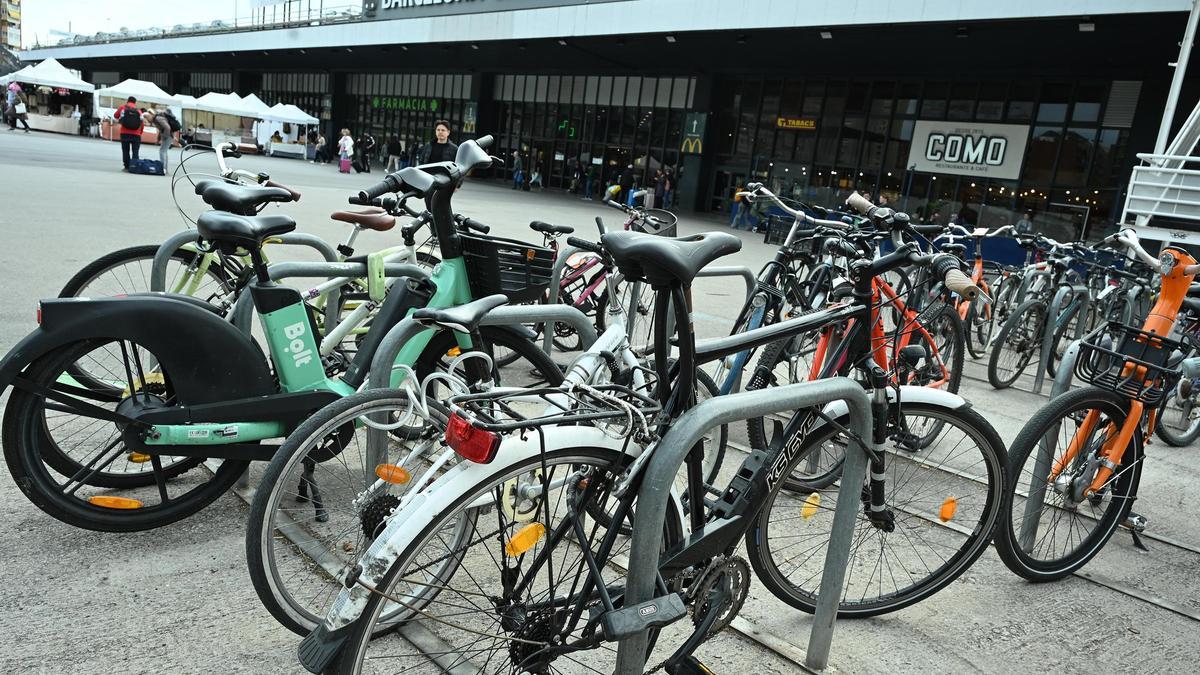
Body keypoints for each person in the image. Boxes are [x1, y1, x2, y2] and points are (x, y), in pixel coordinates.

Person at [114, 96, 143, 171]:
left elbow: (116, 116)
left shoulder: (122, 108)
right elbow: (142, 123)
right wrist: (140, 132)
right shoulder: (138, 111)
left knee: (125, 150)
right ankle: (134, 167)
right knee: (135, 151)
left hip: (124, 133)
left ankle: (126, 166)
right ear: (135, 102)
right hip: (136, 134)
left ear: (127, 101)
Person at [150, 107, 178, 173]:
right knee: (164, 151)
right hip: (170, 135)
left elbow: (167, 128)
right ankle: (165, 168)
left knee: (162, 151)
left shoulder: (158, 118)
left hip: (168, 136)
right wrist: (158, 139)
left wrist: (165, 136)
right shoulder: (159, 118)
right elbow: (161, 129)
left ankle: (163, 168)